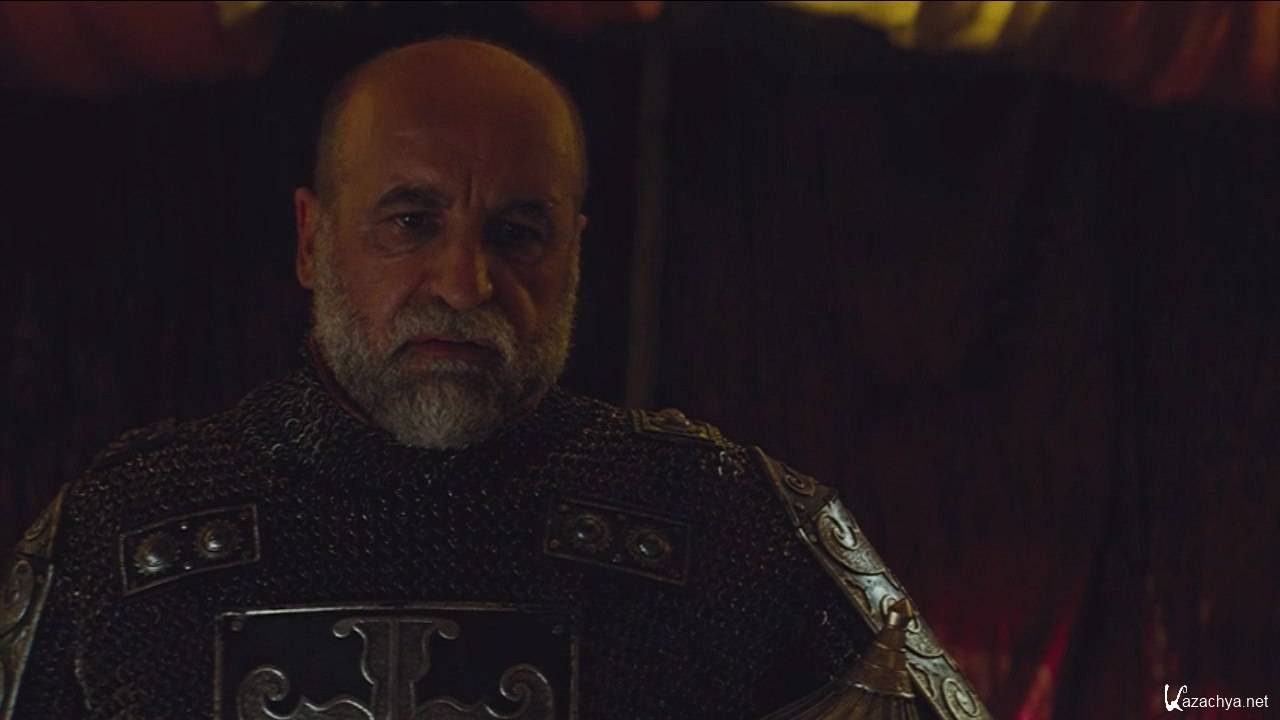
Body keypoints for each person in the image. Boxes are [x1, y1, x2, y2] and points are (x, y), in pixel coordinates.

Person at [0, 38, 991, 720]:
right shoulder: (121, 533)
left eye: (518, 233)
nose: (466, 283)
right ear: (313, 239)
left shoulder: (728, 524)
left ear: (574, 253)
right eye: (411, 221)